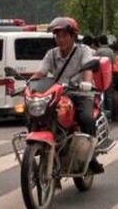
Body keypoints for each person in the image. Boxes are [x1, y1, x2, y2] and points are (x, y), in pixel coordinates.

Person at [31, 16, 104, 174]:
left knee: (86, 118)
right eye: (58, 36)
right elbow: (41, 72)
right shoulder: (51, 54)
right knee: (33, 112)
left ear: (73, 36)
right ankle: (37, 146)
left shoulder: (83, 50)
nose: (61, 39)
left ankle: (91, 157)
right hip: (58, 93)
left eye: (64, 36)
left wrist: (86, 84)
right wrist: (29, 84)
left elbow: (88, 69)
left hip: (80, 92)